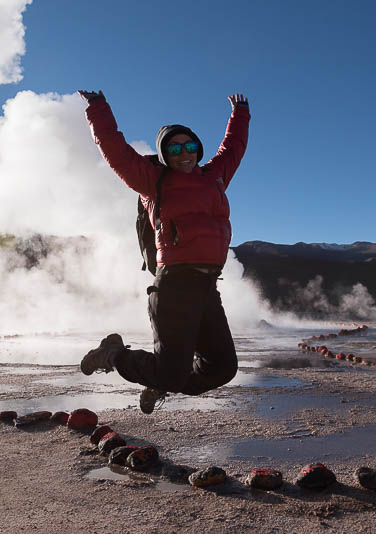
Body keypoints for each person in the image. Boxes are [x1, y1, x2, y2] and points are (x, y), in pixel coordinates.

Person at [76, 89, 250, 415]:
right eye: (174, 148)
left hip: (206, 287)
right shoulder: (151, 181)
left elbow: (233, 149)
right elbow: (115, 151)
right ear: (164, 154)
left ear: (198, 150)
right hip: (173, 285)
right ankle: (113, 354)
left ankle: (159, 381)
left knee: (222, 368)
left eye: (190, 146)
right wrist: (98, 109)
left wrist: (240, 113)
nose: (184, 153)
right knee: (172, 371)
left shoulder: (214, 177)